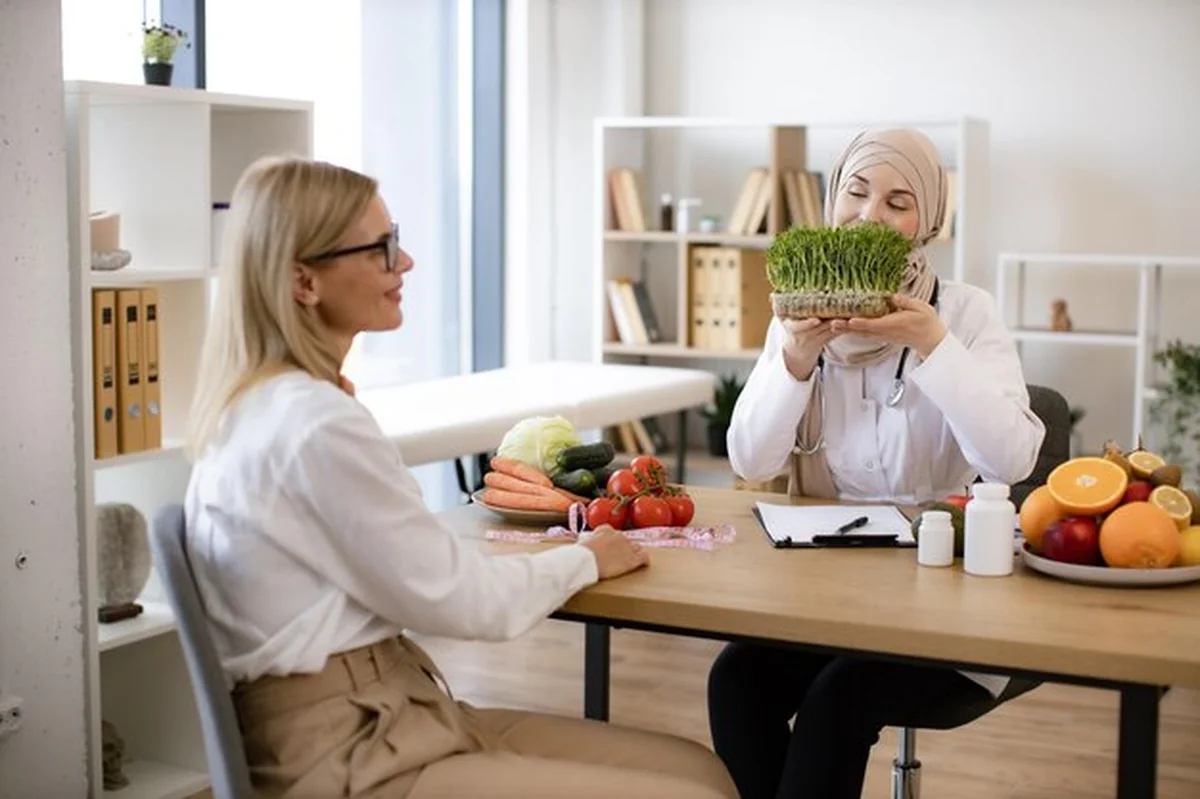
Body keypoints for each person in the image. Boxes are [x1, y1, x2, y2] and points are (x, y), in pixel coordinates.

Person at [183, 155, 738, 799]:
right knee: (695, 792)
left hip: (397, 710)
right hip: (348, 756)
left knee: (699, 770)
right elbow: (463, 601)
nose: (406, 263)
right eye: (382, 248)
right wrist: (586, 559)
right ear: (305, 282)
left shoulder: (265, 405)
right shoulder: (313, 424)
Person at [708, 128, 1047, 799]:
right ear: (832, 199)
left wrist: (933, 344)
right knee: (736, 677)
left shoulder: (967, 313)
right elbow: (750, 456)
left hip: (950, 596)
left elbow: (1011, 457)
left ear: (929, 220)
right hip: (830, 594)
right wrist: (795, 362)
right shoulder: (800, 311)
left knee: (843, 694)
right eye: (856, 193)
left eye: (898, 200)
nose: (869, 215)